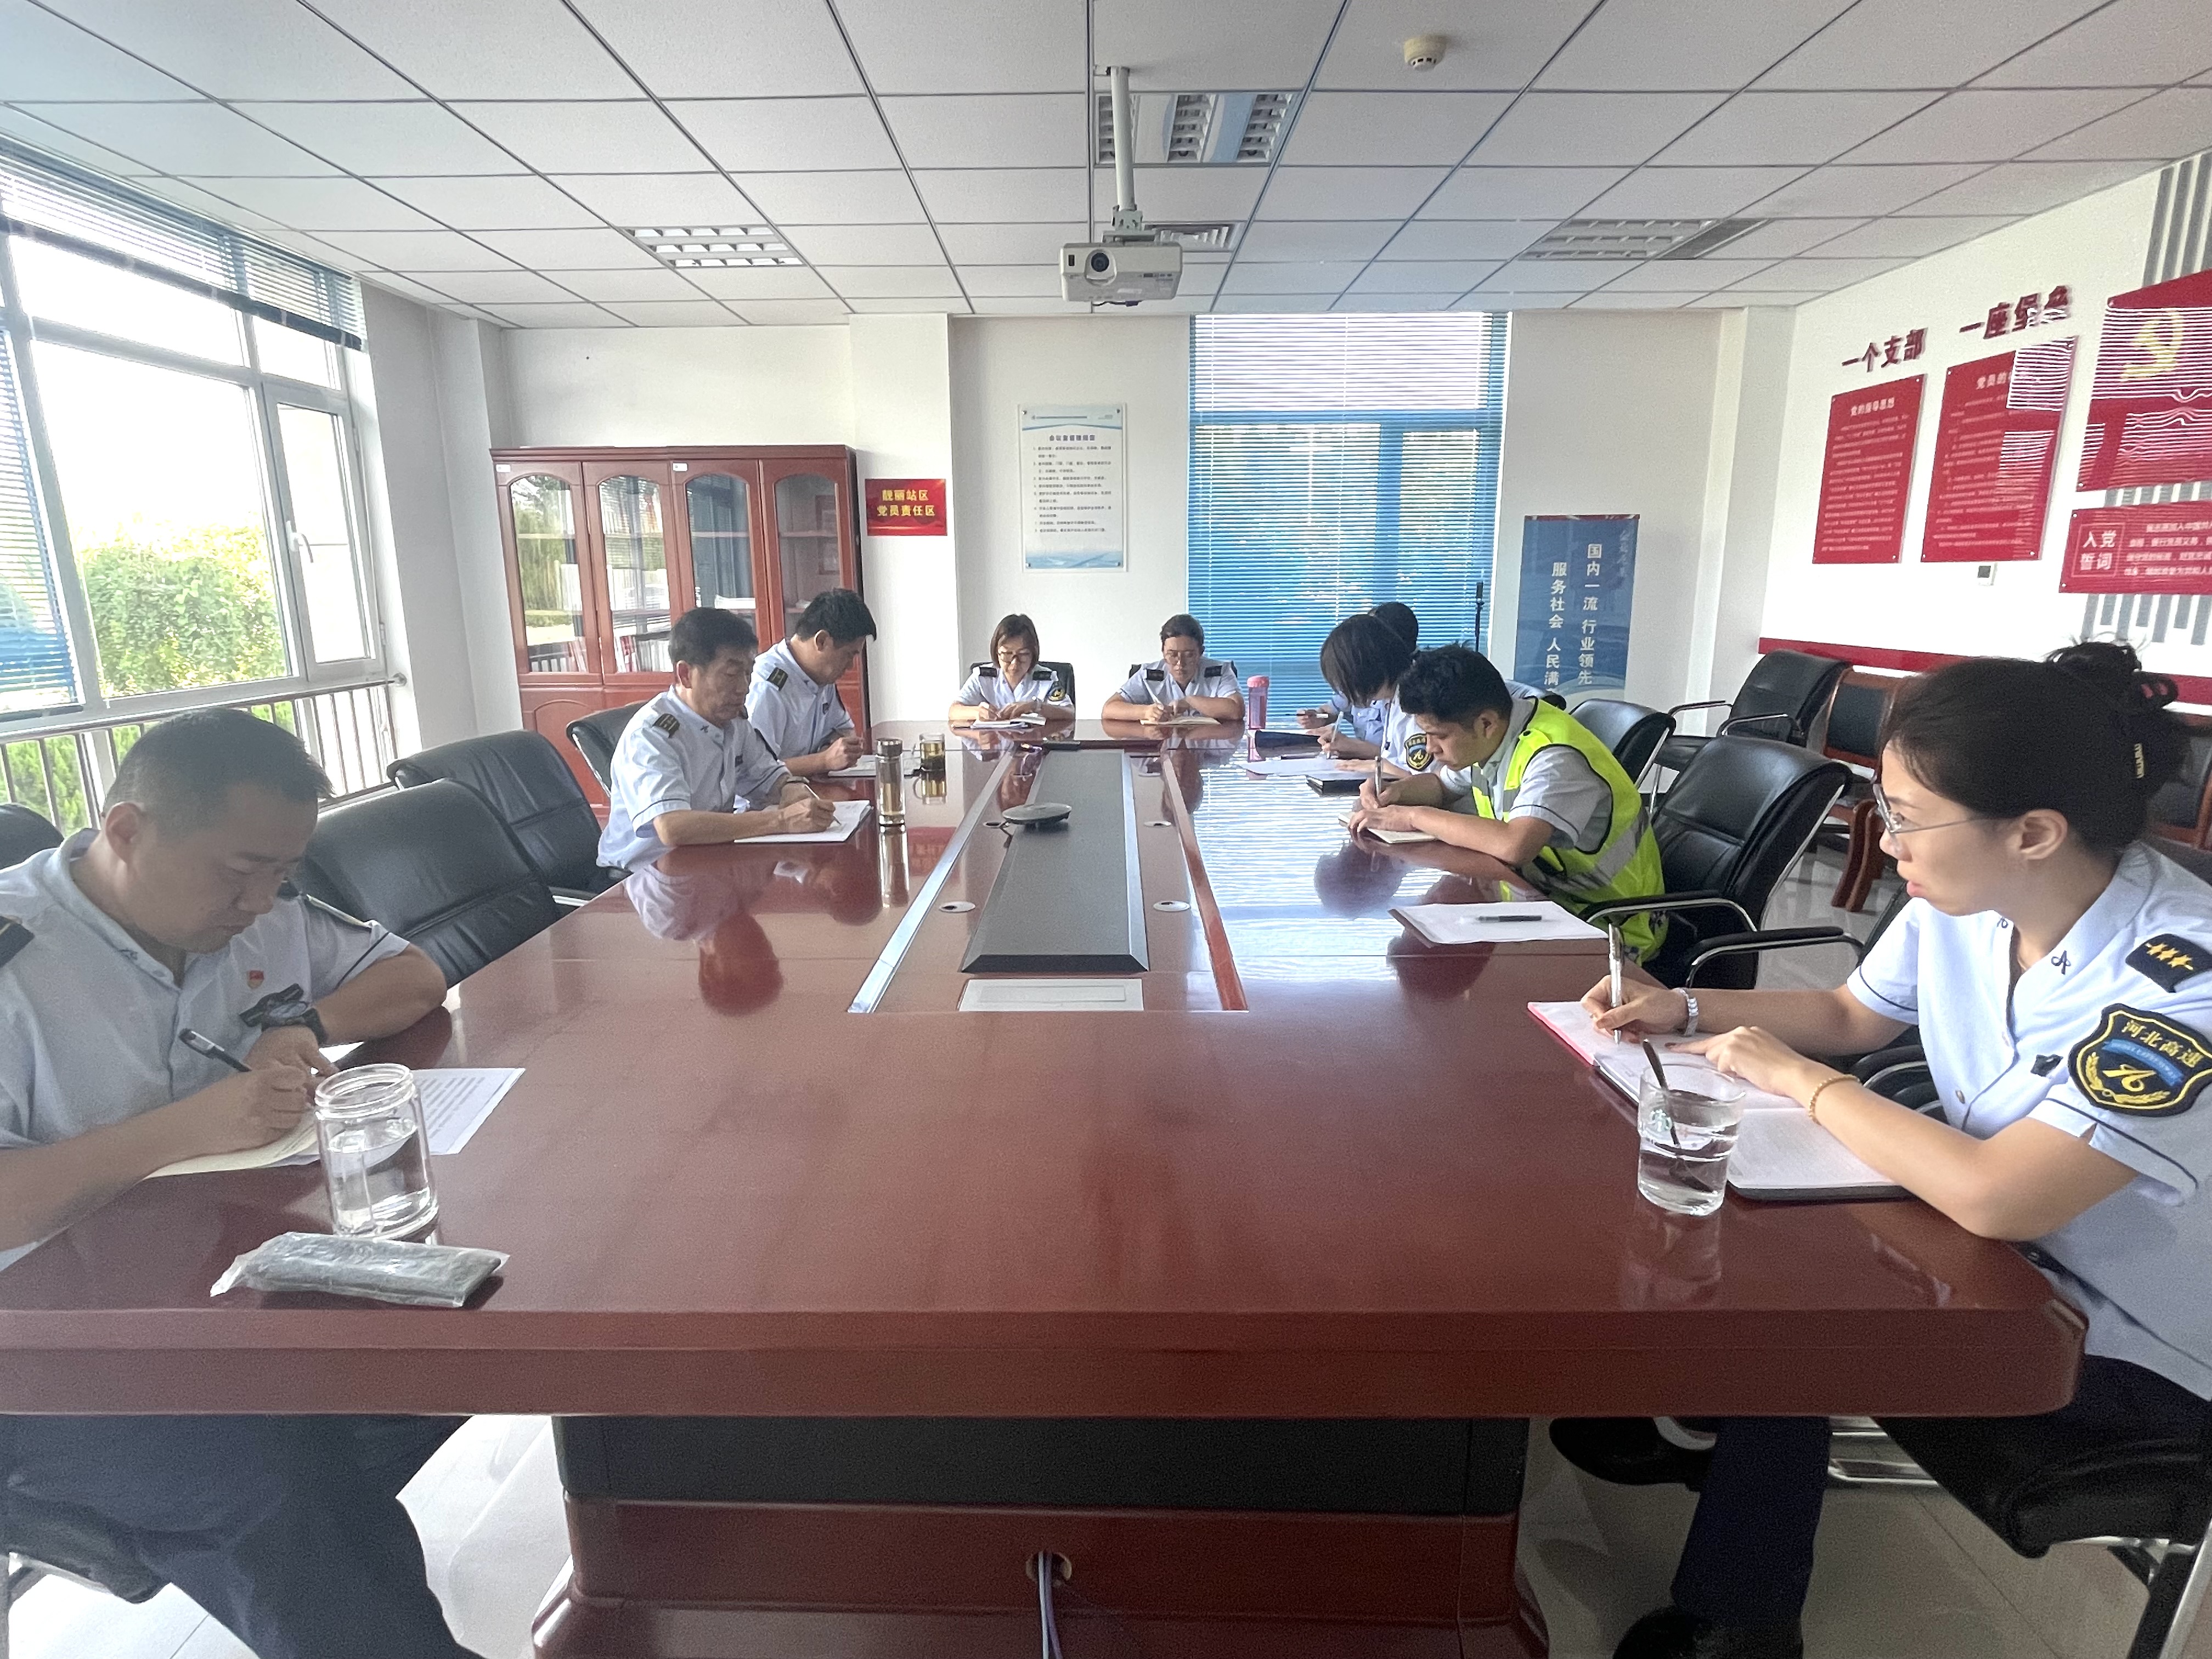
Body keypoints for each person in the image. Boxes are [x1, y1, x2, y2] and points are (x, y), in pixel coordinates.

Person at [1562, 642, 2212, 1659]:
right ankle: (1699, 1414)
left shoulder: (2184, 978)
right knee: (1755, 1223)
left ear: (2033, 832)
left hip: (2132, 1337)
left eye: (1906, 816)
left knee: (1804, 1310)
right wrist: (1679, 1006)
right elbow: (1850, 1013)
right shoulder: (1968, 900)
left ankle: (1744, 1618)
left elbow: (2002, 1197)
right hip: (2001, 1245)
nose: (1883, 837)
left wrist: (1804, 1081)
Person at [0, 709, 479, 1659]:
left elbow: (415, 977)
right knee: (278, 1484)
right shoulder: (18, 956)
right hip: (44, 1351)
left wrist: (305, 1020)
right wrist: (186, 1125)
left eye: (282, 873)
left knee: (452, 1344)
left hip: (215, 1286)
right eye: (239, 872)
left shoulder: (260, 909)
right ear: (126, 830)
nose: (261, 902)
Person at [1349, 644, 1664, 958]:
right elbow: (1442, 787)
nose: (1430, 748)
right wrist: (1395, 792)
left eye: (1439, 736)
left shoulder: (1554, 756)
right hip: (1543, 898)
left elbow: (1515, 846)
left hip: (1612, 925)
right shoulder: (1492, 736)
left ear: (1486, 723)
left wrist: (1412, 817)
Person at [599, 606, 836, 872]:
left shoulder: (732, 720)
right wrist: (781, 821)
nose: (744, 688)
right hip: (642, 877)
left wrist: (791, 788)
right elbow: (673, 827)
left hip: (706, 861)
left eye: (748, 673)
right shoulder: (652, 735)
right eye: (731, 675)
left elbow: (767, 775)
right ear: (686, 675)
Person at [746, 588, 874, 777]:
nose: (850, 666)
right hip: (774, 795)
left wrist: (839, 748)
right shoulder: (768, 686)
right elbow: (754, 772)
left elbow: (844, 730)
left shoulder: (822, 676)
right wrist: (824, 760)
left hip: (810, 786)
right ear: (821, 641)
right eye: (848, 655)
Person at [1311, 611, 1435, 772]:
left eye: (1347, 682)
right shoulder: (1392, 698)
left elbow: (1423, 777)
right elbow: (1395, 760)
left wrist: (1374, 765)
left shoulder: (1415, 704)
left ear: (1366, 670)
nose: (1346, 692)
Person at [1300, 602, 1418, 748]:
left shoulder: (1411, 701)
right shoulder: (1385, 695)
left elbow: (1402, 757)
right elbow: (1392, 757)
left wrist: (1351, 746)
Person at [1102, 614, 1244, 724]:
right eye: (1173, 655)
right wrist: (1145, 712)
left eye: (1189, 655)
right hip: (1160, 745)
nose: (1180, 664)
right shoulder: (1149, 674)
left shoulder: (1220, 671)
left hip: (1208, 746)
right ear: (1163, 652)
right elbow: (1109, 709)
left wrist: (1190, 702)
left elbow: (1237, 710)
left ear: (1201, 652)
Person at [949, 613, 1075, 723]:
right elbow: (954, 711)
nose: (1015, 663)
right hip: (993, 742)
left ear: (1033, 653)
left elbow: (1069, 713)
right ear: (997, 653)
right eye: (1007, 654)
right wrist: (978, 712)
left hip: (1033, 741)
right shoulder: (983, 676)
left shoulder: (1045, 678)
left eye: (1023, 654)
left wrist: (1035, 707)